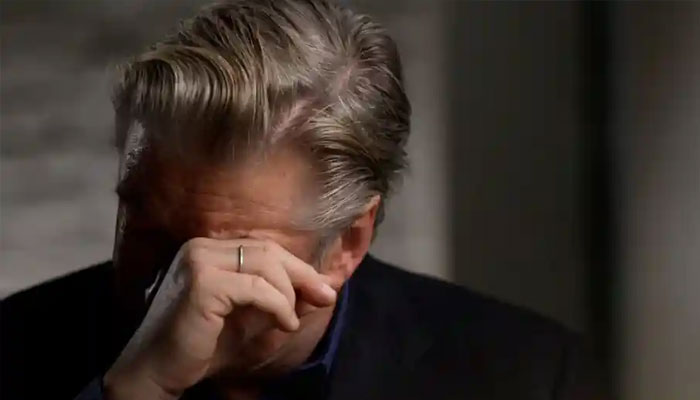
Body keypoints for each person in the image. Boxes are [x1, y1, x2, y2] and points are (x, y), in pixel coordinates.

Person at [0, 0, 602, 399]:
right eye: (147, 230)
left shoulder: (530, 377)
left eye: (232, 252)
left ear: (347, 243)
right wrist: (136, 391)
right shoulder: (11, 351)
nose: (175, 290)